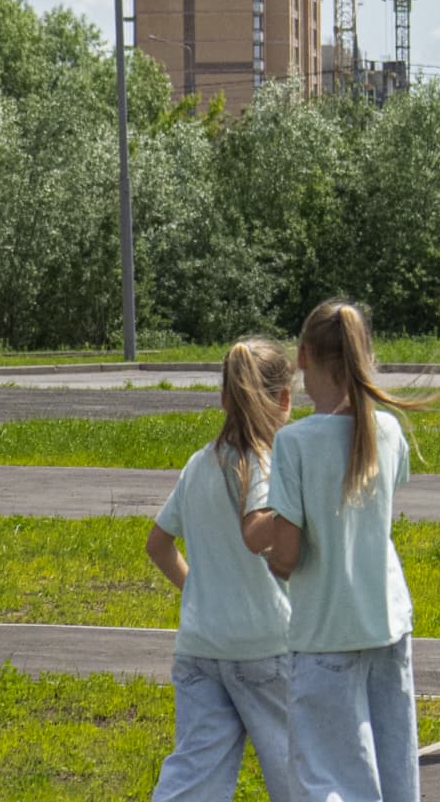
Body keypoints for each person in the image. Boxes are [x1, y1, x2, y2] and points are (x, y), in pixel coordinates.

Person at [243, 300, 423, 802]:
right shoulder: (387, 430)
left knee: (327, 773)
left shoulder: (294, 443)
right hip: (387, 618)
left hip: (325, 629)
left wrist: (268, 555)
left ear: (303, 356)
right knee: (395, 767)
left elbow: (289, 551)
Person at [147, 337, 297, 801]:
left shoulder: (198, 464)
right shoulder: (267, 463)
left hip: (200, 645)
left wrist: (199, 591)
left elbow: (158, 544)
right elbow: (259, 528)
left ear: (223, 396)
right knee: (297, 772)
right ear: (285, 399)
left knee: (193, 776)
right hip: (264, 645)